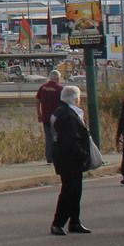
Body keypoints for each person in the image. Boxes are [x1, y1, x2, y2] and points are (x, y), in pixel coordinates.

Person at [49, 85, 94, 235]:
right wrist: (83, 154)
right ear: (75, 99)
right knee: (70, 191)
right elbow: (70, 140)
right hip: (69, 158)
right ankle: (58, 222)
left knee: (75, 190)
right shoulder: (67, 115)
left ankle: (75, 221)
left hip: (66, 157)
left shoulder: (62, 112)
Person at [35, 69, 63, 164]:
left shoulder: (43, 87)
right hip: (57, 118)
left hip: (46, 117)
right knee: (59, 137)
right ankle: (58, 157)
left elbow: (37, 101)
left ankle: (49, 157)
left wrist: (39, 114)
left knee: (49, 138)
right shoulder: (60, 89)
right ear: (58, 78)